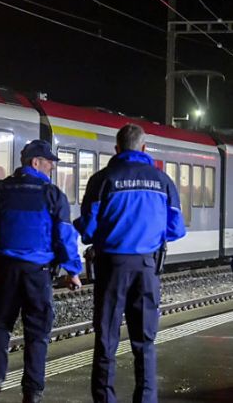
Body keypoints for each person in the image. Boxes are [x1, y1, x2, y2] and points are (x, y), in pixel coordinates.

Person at [74, 124, 186, 403]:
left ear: (117, 148)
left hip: (111, 267)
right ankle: (146, 398)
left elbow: (88, 229)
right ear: (144, 148)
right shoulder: (163, 181)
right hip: (148, 269)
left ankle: (104, 398)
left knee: (106, 340)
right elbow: (176, 229)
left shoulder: (102, 180)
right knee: (145, 341)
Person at [0, 139, 83, 403]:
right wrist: (72, 271)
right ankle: (32, 391)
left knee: (0, 324)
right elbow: (64, 235)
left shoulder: (0, 189)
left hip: (4, 271)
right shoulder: (52, 194)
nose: (51, 167)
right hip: (38, 273)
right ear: (35, 162)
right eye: (49, 162)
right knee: (37, 333)